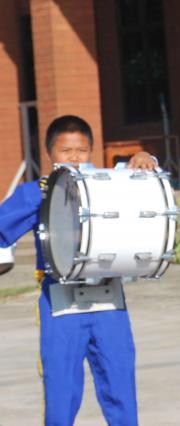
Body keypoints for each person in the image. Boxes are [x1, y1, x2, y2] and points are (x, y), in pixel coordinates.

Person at [0, 115, 158, 426]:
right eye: (65, 150)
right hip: (60, 307)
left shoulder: (109, 184)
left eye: (82, 150)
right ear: (49, 154)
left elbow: (141, 174)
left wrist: (146, 158)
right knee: (61, 394)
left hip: (109, 305)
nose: (74, 157)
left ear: (92, 152)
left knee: (121, 389)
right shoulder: (37, 192)